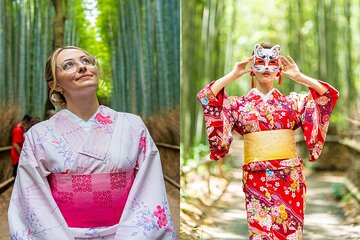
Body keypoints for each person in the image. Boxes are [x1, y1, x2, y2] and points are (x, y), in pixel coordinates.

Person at [8, 46, 175, 240]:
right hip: (63, 234)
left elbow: (150, 187)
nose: (82, 67)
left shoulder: (132, 125)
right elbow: (32, 199)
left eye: (86, 61)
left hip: (128, 232)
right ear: (55, 85)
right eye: (69, 65)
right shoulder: (39, 135)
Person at [197, 43, 339, 239]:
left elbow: (327, 96)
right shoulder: (239, 105)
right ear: (252, 69)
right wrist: (232, 75)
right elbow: (207, 97)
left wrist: (300, 77)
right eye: (260, 62)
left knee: (289, 233)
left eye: (272, 63)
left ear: (279, 69)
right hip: (256, 177)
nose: (266, 68)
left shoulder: (293, 102)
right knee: (260, 234)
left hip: (289, 177)